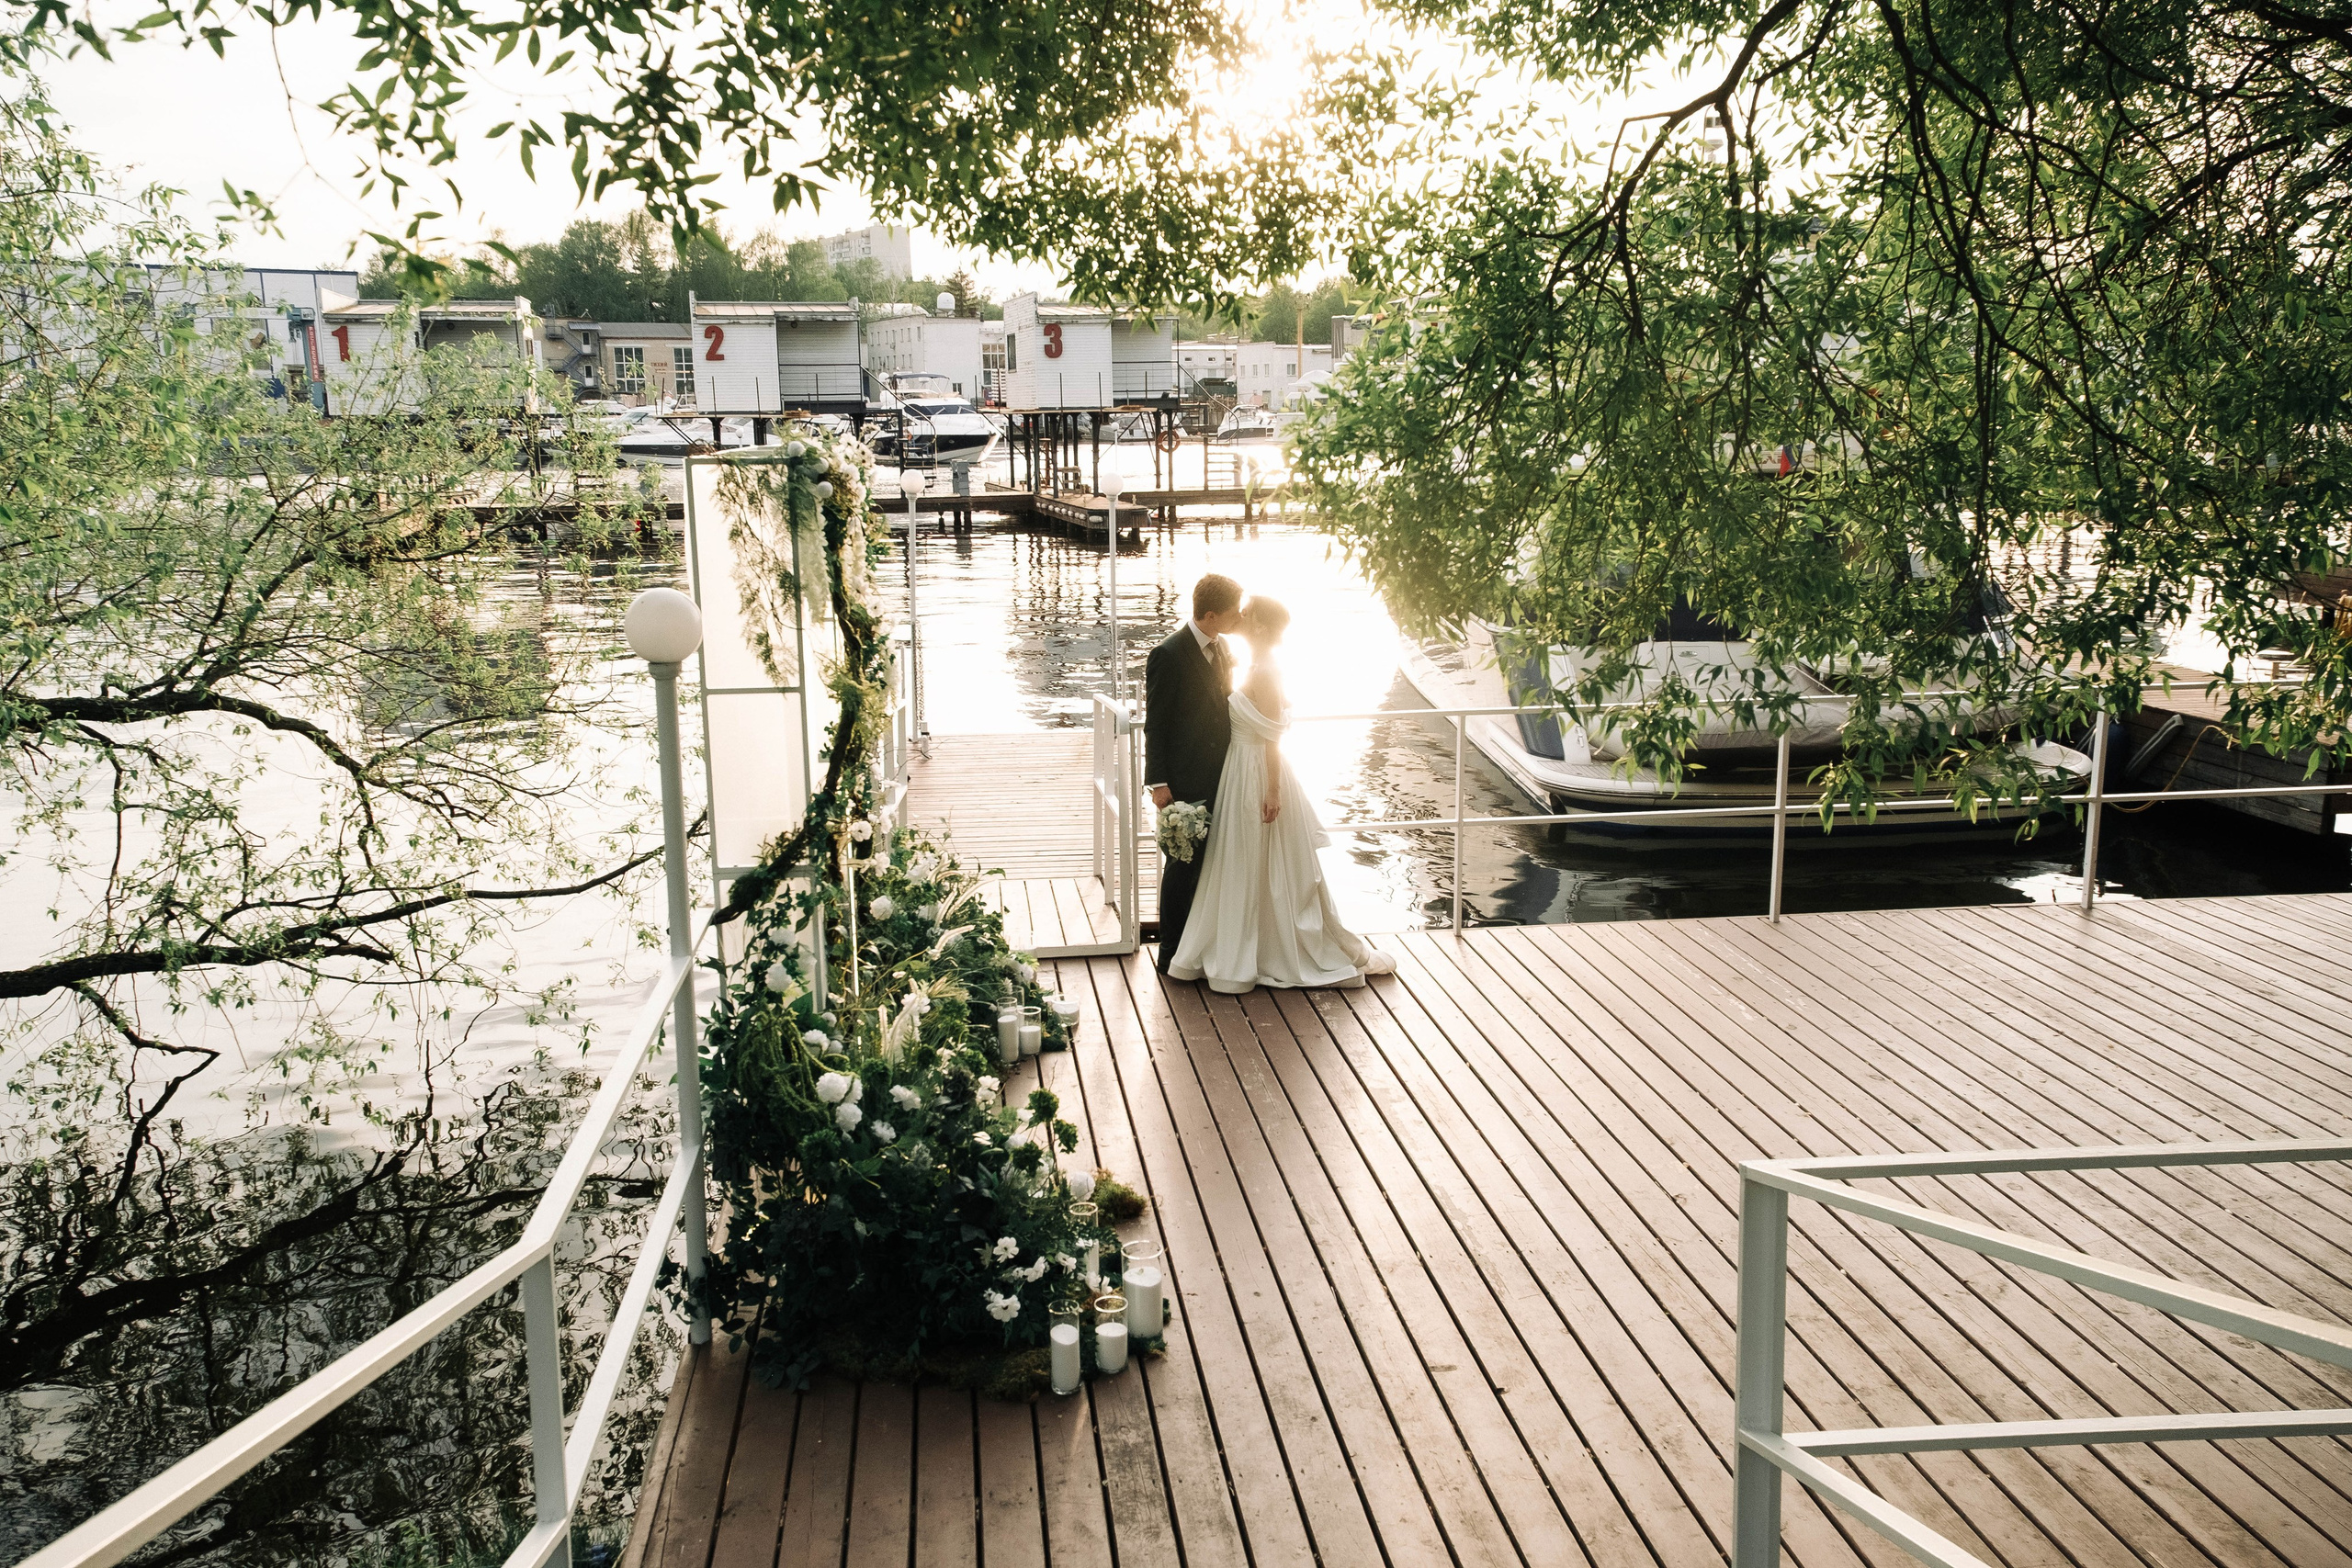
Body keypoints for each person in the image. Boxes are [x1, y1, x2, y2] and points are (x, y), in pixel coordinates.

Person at [1164, 595, 1394, 993]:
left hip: (1257, 774)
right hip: (1237, 770)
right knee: (1241, 860)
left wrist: (1272, 791)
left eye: (1248, 613)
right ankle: (1243, 945)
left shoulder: (1267, 670)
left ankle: (1267, 950)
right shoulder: (1250, 663)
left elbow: (1272, 738)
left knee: (1262, 861)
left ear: (1260, 627)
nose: (1241, 616)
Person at [1144, 573, 1246, 972]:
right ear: (1209, 614)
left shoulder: (1223, 649)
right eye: (1233, 614)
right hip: (1183, 779)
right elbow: (1157, 723)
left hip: (1224, 772)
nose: (1238, 619)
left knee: (1212, 862)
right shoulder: (1168, 654)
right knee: (1181, 865)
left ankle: (1201, 946)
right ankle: (1170, 950)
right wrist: (1159, 782)